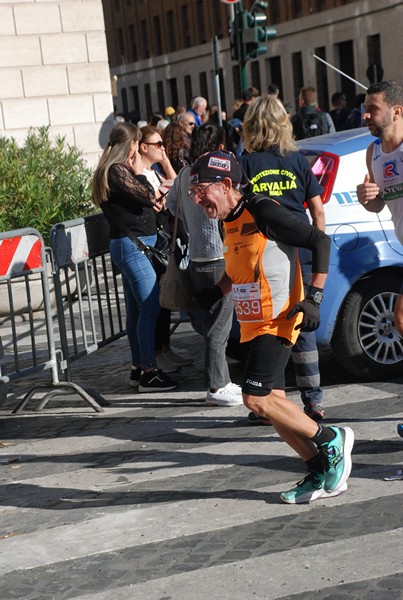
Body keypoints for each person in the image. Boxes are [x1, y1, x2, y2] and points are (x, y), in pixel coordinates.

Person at [189, 150, 354, 504]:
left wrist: (316, 297)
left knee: (256, 399)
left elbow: (319, 241)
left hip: (278, 318)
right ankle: (318, 469)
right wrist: (216, 291)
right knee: (275, 404)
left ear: (227, 184)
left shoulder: (263, 210)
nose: (196, 197)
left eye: (200, 189)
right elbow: (240, 265)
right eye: (192, 192)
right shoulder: (226, 220)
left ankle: (331, 439)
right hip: (252, 323)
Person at [240, 95, 326, 422]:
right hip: (299, 251)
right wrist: (316, 244)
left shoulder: (246, 164)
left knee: (267, 327)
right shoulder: (298, 161)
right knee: (302, 327)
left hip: (262, 257)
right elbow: (317, 210)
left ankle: (268, 399)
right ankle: (313, 401)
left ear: (252, 126)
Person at [91, 122, 178, 392]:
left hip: (135, 245)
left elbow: (144, 199)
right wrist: (140, 171)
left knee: (137, 310)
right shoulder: (116, 170)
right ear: (130, 145)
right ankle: (149, 372)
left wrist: (152, 197)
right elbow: (145, 192)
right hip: (132, 247)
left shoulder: (117, 170)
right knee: (150, 306)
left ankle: (139, 366)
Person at [166, 124, 243, 407]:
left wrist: (190, 221)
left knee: (214, 322)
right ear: (219, 146)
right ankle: (216, 384)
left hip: (196, 257)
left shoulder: (185, 173)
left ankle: (220, 378)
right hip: (217, 257)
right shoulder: (216, 174)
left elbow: (172, 205)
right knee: (219, 325)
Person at [139, 126, 193, 373]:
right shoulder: (139, 173)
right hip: (154, 242)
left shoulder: (155, 171)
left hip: (165, 238)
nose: (162, 147)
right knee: (157, 300)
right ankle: (157, 354)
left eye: (163, 143)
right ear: (143, 147)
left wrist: (165, 160)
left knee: (164, 298)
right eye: (157, 144)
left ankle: (166, 349)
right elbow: (160, 202)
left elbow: (178, 184)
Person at [356, 80, 403, 354]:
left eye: (373, 109)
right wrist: (368, 198)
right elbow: (378, 205)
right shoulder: (373, 152)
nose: (366, 115)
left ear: (396, 112)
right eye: (365, 109)